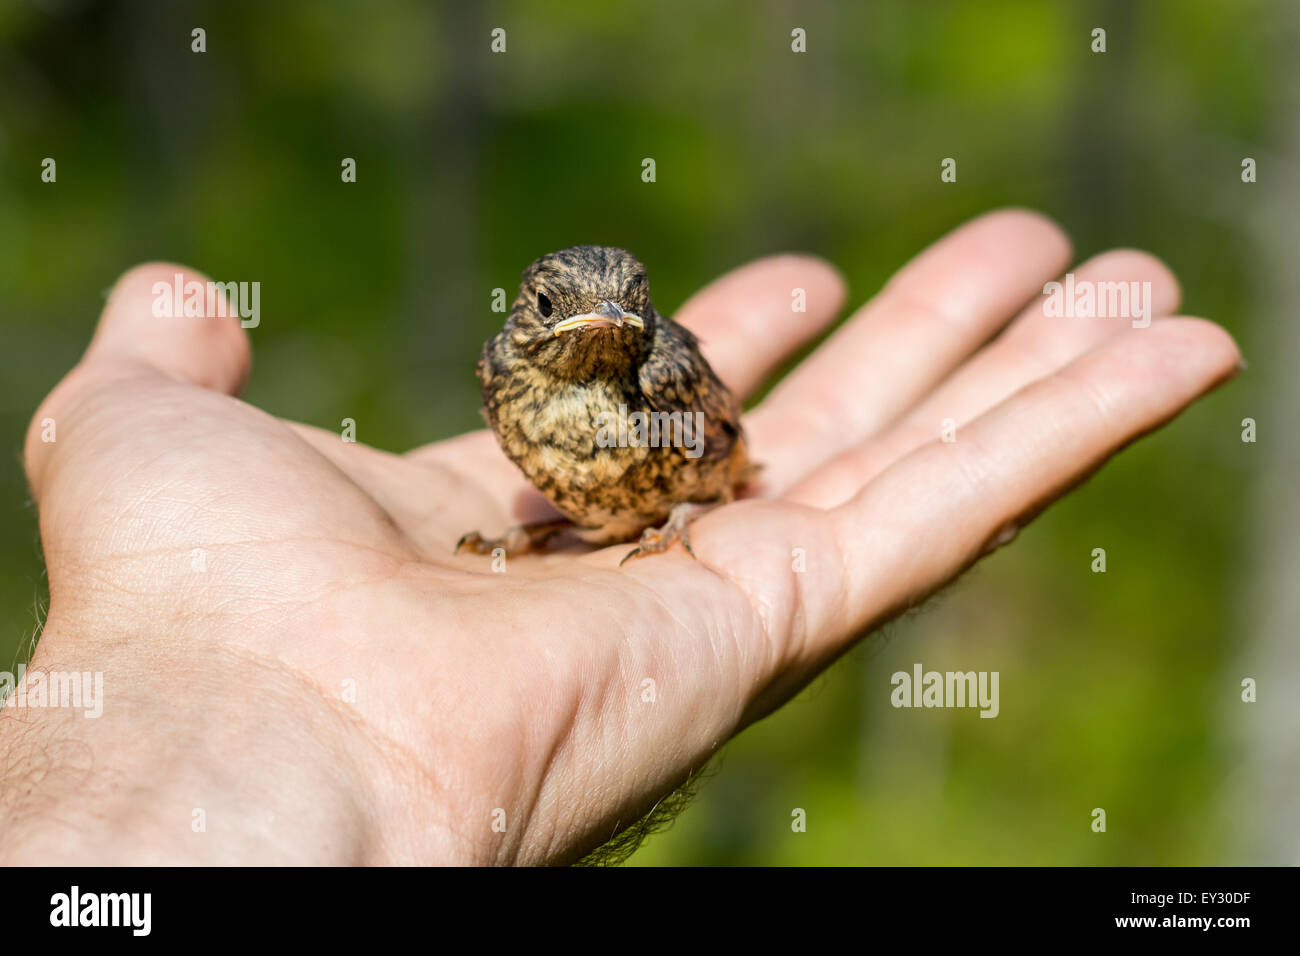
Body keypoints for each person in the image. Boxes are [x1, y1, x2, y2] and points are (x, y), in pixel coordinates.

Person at [1, 210, 1240, 864]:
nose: (606, 322)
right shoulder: (505, 378)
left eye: (630, 308)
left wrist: (706, 500)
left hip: (682, 493)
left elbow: (729, 441)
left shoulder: (661, 377)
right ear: (522, 319)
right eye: (561, 306)